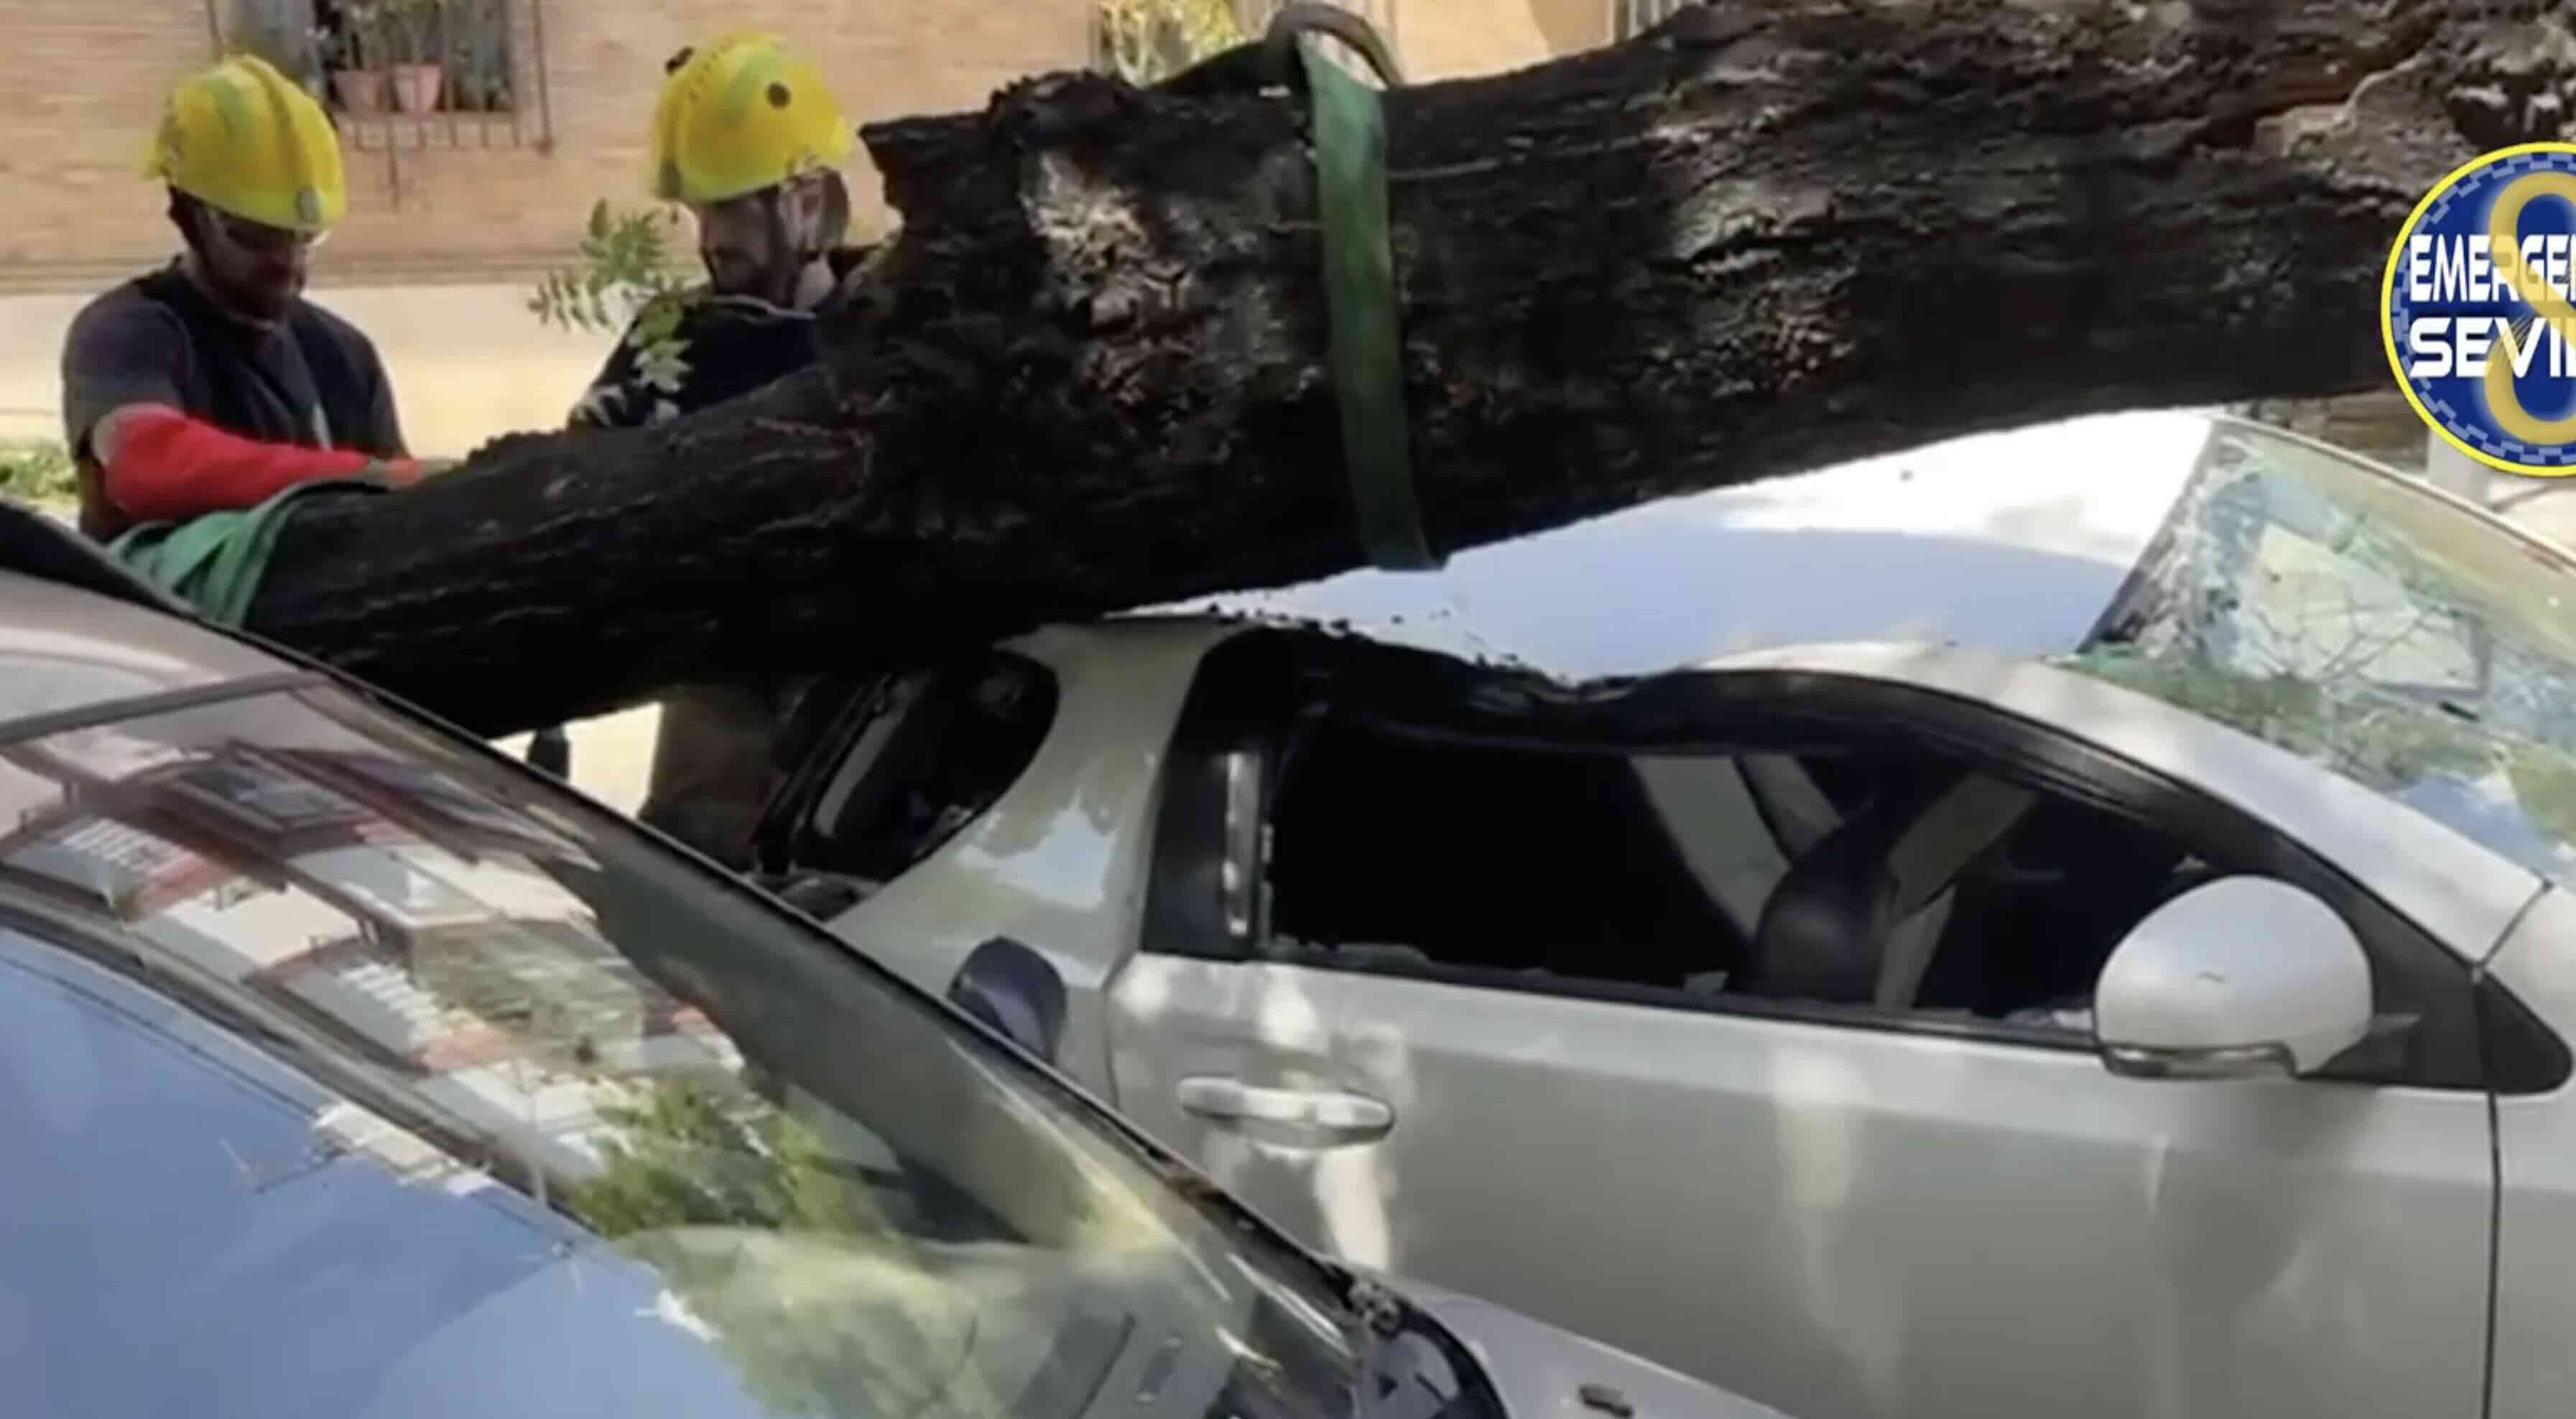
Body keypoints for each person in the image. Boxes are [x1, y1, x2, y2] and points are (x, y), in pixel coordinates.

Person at [559, 32, 879, 867]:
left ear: (808, 201)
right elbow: (571, 481)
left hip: (866, 726)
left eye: (733, 208)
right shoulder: (674, 338)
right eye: (701, 212)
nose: (711, 239)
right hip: (717, 722)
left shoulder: (896, 322)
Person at [62, 54, 437, 546]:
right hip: (156, 620)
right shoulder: (129, 332)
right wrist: (366, 475)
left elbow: (404, 516)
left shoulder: (343, 355)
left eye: (305, 237)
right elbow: (145, 464)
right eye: (256, 237)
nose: (288, 263)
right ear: (186, 215)